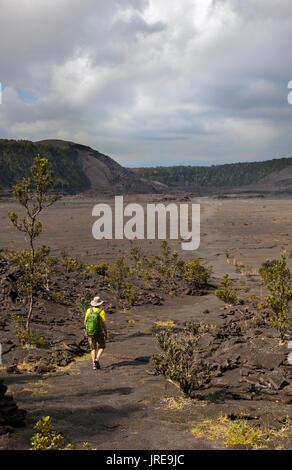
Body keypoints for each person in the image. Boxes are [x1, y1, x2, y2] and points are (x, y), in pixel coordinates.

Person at [84, 296, 108, 370]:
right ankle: (97, 359)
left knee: (93, 348)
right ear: (100, 304)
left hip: (90, 332)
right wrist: (106, 333)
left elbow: (85, 321)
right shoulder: (101, 312)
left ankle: (94, 365)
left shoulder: (88, 310)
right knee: (102, 347)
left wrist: (86, 331)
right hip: (99, 332)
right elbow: (103, 324)